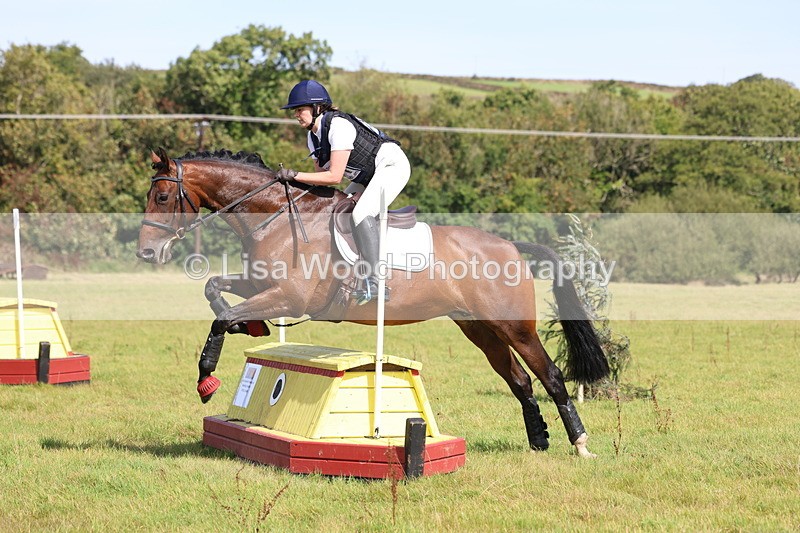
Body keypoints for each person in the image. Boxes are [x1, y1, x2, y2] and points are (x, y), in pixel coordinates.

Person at [276, 79, 411, 305]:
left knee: (360, 214)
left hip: (392, 166)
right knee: (336, 210)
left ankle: (376, 281)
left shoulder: (339, 127)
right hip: (368, 176)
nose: (296, 115)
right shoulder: (313, 136)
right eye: (295, 111)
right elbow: (322, 181)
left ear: (317, 108)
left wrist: (295, 175)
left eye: (299, 109)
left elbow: (334, 177)